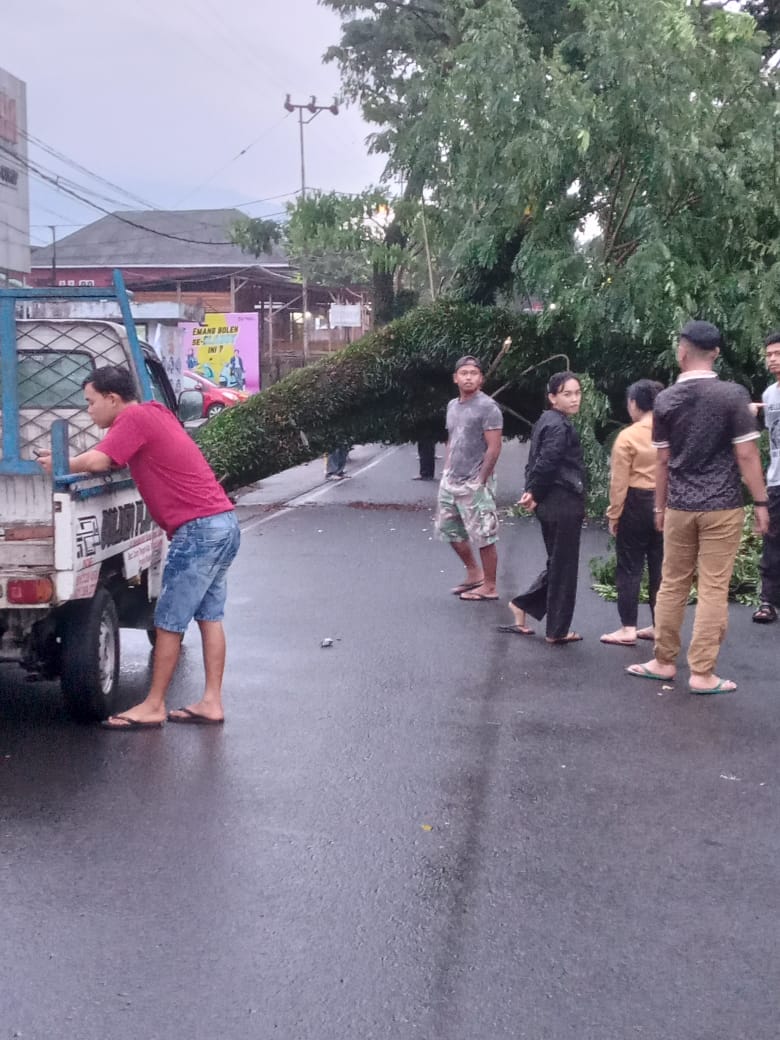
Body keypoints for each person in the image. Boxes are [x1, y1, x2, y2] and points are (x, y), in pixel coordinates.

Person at [38, 365, 240, 729]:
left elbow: (100, 461)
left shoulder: (131, 420)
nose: (89, 410)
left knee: (168, 622)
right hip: (222, 522)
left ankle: (154, 704)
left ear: (113, 399)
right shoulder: (155, 412)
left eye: (91, 402)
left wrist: (59, 463)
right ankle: (211, 701)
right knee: (210, 616)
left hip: (197, 531)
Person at [627, 320, 769, 694]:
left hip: (678, 504)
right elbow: (747, 454)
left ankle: (663, 660)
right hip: (723, 504)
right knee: (714, 587)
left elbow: (661, 462)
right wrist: (761, 502)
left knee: (672, 583)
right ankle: (703, 673)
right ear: (717, 353)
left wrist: (658, 508)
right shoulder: (733, 395)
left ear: (682, 351)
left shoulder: (666, 399)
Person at [501, 371, 586, 644]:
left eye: (577, 393)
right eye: (567, 394)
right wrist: (534, 492)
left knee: (558, 563)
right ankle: (557, 630)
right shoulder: (558, 425)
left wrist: (532, 492)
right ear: (552, 397)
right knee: (564, 567)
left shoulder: (547, 421)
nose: (574, 399)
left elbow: (535, 461)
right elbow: (547, 462)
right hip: (561, 501)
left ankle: (524, 605)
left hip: (553, 500)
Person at [601, 379, 665, 646]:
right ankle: (661, 626)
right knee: (661, 567)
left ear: (634, 403)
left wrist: (614, 514)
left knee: (629, 566)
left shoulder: (628, 436)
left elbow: (619, 482)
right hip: (667, 501)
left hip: (636, 501)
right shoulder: (672, 431)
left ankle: (628, 627)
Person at [436, 355, 503, 600]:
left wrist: (481, 480)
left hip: (475, 481)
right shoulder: (452, 406)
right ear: (455, 378)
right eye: (463, 373)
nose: (468, 377)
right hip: (451, 479)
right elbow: (452, 439)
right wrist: (446, 469)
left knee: (483, 535)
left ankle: (490, 585)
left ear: (481, 379)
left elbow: (494, 447)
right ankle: (474, 573)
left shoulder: (488, 408)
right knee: (449, 530)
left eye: (473, 373)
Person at [750, 332, 780, 624]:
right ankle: (768, 601)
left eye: (777, 353)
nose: (772, 359)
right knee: (772, 539)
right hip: (776, 479)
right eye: (769, 354)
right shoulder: (770, 394)